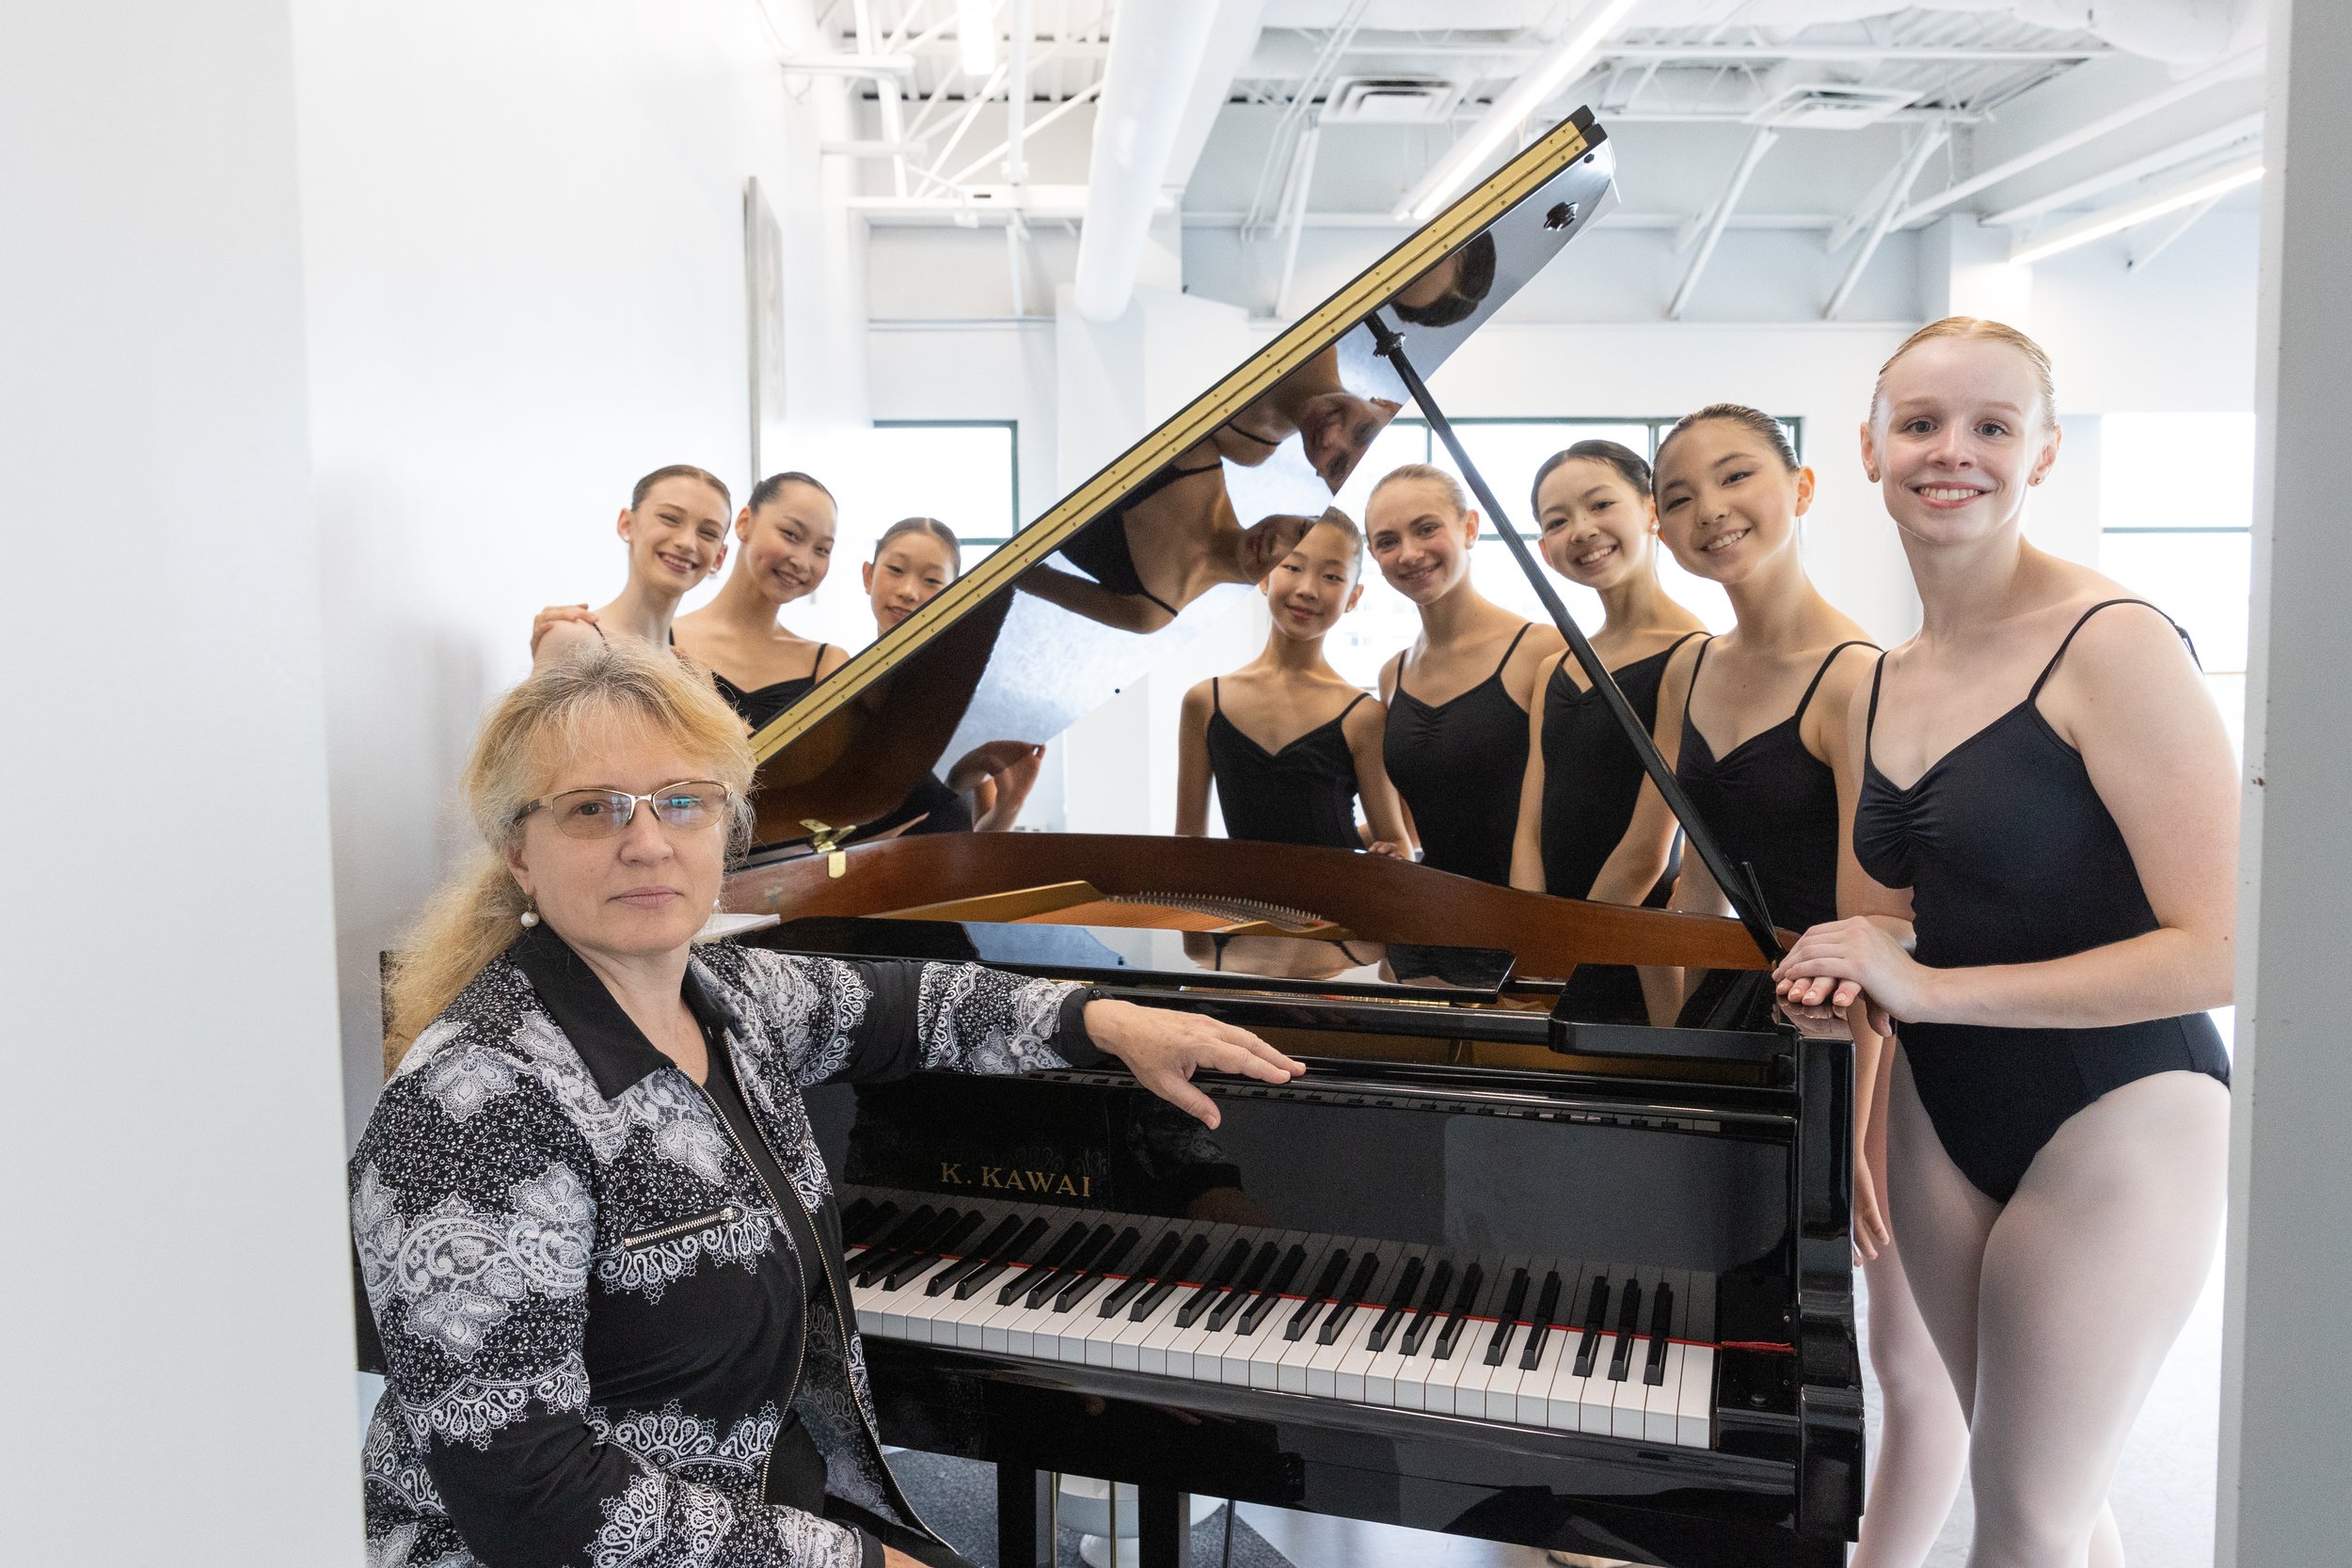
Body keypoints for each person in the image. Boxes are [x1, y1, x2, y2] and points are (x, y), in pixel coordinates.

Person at [356, 641, 1305, 1568]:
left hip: (763, 1505)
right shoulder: (471, 1106)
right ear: (519, 852)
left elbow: (912, 1005)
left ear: (726, 825)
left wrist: (1096, 1016)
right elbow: (529, 1494)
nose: (647, 841)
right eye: (593, 808)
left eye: (682, 800)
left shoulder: (730, 999)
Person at [1775, 319, 2233, 1567]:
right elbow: (1880, 921)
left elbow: (2221, 946)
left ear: (2043, 453)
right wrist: (1839, 986)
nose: (1952, 452)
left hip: (2122, 1104)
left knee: (2023, 1512)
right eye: (1920, 424)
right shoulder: (1876, 679)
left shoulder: (2113, 641)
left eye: (1991, 425)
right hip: (1944, 1102)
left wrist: (1921, 984)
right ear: (1868, 447)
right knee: (2045, 1486)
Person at [1592, 405, 1964, 1565]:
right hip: (1738, 1023)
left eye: (1735, 476)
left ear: (1800, 487)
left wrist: (1851, 1129)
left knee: (1894, 1350)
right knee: (1736, 1327)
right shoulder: (1689, 666)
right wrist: (1662, 1036)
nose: (1708, 510)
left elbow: (1871, 933)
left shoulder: (1860, 676)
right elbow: (1680, 880)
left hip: (1858, 1041)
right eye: (1678, 494)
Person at [1019, 345, 1402, 633]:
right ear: (1305, 512)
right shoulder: (1198, 453)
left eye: (1290, 568)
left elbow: (1012, 574)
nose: (1275, 547)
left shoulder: (1149, 610)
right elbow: (1094, 393)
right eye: (1301, 531)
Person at [1369, 464, 1564, 884]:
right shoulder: (1392, 675)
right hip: (1432, 911)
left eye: (1426, 529)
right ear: (1374, 555)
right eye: (1387, 541)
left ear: (1470, 528)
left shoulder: (1542, 651)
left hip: (1527, 910)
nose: (1409, 553)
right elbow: (1415, 825)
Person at [1173, 509, 1409, 853]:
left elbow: (1397, 842)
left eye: (1332, 577)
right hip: (1241, 889)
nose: (1307, 590)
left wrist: (1391, 856)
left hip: (1338, 888)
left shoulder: (1365, 716)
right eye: (1293, 567)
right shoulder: (1204, 702)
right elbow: (1186, 845)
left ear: (1353, 598)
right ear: (1264, 578)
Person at [855, 516, 1043, 837]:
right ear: (868, 576)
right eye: (896, 570)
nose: (909, 592)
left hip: (954, 868)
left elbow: (984, 838)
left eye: (932, 580)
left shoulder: (968, 702)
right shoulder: (836, 691)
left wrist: (1011, 803)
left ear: (953, 596)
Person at [674, 470, 851, 729]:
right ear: (744, 522)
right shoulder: (663, 641)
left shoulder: (828, 663)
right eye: (791, 534)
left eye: (822, 549)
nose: (803, 562)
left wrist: (712, 706)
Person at [530, 465, 733, 670]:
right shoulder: (572, 639)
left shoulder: (693, 673)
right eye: (669, 518)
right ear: (626, 523)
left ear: (720, 557)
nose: (687, 542)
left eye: (708, 533)